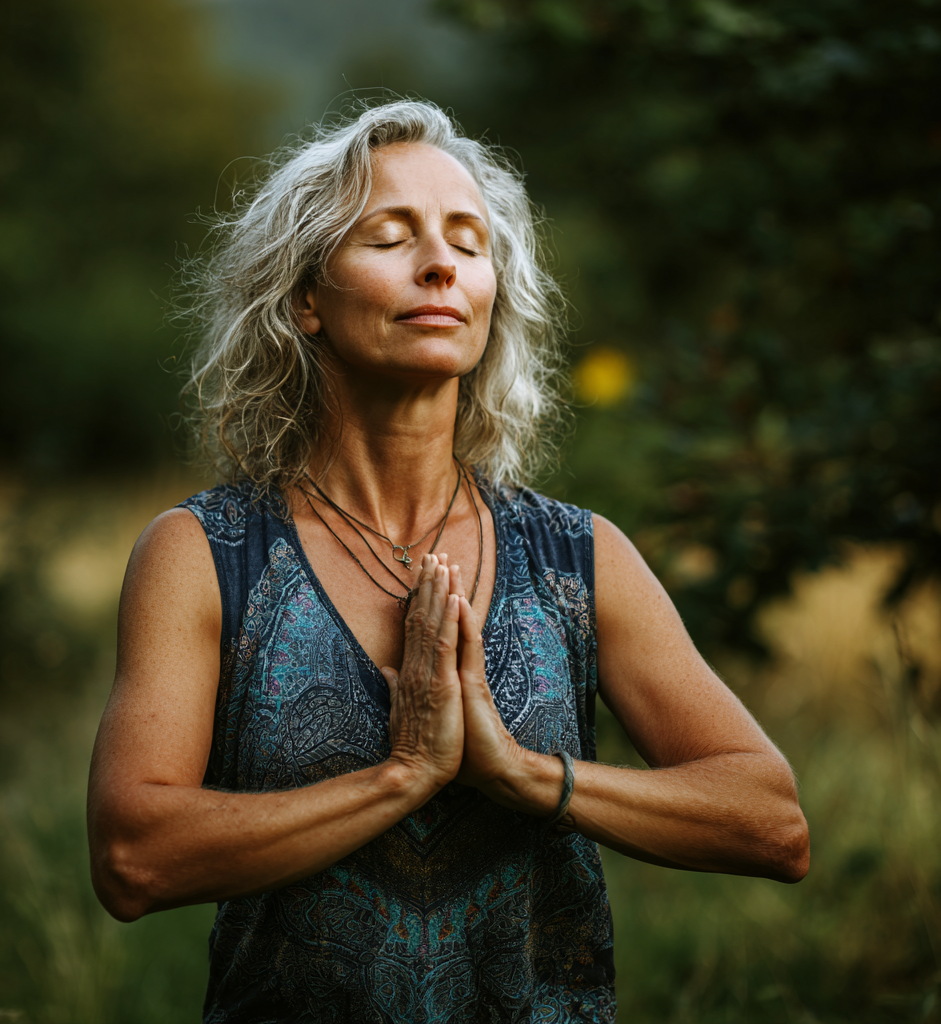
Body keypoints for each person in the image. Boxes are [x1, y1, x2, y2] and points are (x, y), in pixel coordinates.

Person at [87, 100, 809, 1024]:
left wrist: (517, 773)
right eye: (391, 236)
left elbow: (773, 823)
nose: (440, 264)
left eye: (468, 244)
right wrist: (404, 774)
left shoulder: (578, 557)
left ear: (490, 294)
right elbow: (132, 858)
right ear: (306, 298)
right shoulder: (204, 554)